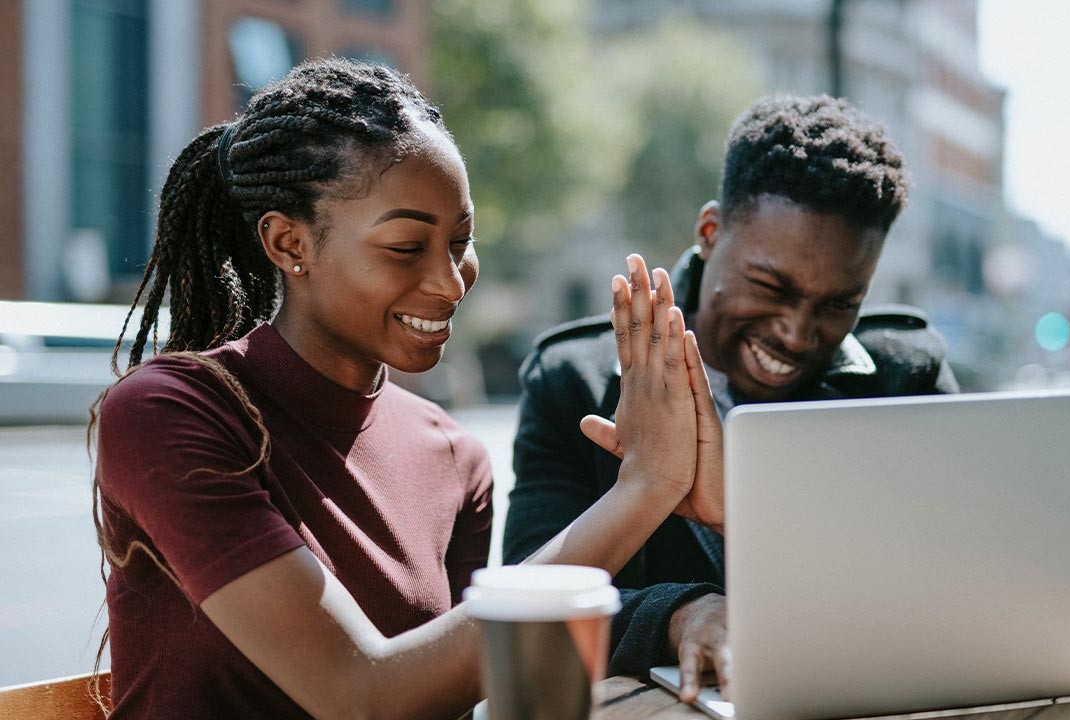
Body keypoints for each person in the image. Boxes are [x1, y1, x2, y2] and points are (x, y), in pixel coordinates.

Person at [91, 58, 717, 720]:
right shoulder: (170, 411)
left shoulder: (454, 456)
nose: (451, 283)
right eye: (406, 247)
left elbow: (448, 694)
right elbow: (363, 695)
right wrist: (644, 490)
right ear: (288, 242)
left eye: (462, 240)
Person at [503, 95, 959, 701]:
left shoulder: (907, 375)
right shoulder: (574, 382)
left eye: (837, 305)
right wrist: (679, 614)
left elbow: (954, 575)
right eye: (771, 286)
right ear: (711, 232)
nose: (797, 334)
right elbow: (529, 595)